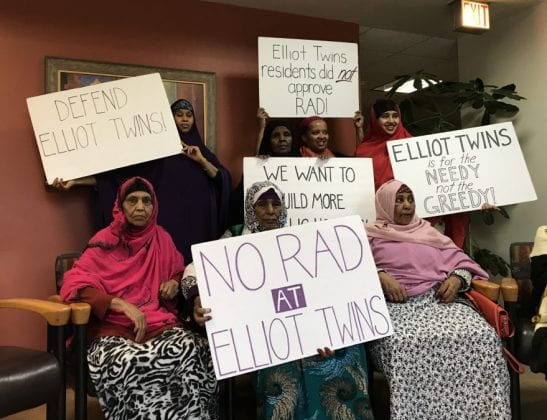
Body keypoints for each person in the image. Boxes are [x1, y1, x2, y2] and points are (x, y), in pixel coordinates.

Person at [60, 177, 217, 419]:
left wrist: (174, 283)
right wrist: (120, 303)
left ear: (155, 207)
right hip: (112, 329)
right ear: (120, 207)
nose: (140, 207)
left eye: (147, 201)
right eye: (132, 201)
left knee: (194, 347)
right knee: (128, 360)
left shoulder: (161, 238)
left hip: (157, 323)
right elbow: (75, 282)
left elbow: (177, 269)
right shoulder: (104, 241)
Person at [226, 181, 373, 419]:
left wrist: (325, 331)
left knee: (347, 353)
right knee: (283, 370)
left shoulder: (300, 240)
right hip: (268, 332)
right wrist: (196, 297)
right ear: (250, 209)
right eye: (262, 205)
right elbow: (197, 272)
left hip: (308, 323)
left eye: (276, 204)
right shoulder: (234, 237)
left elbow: (321, 289)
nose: (271, 211)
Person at [365, 179, 510, 419]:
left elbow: (462, 263)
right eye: (399, 200)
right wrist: (380, 275)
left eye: (410, 199)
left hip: (439, 301)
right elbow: (352, 269)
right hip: (396, 307)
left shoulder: (429, 232)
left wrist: (455, 279)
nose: (407, 205)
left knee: (483, 336)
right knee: (404, 344)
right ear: (384, 204)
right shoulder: (369, 235)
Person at [53, 98, 231, 263]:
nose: (185, 120)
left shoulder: (202, 151)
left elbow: (222, 179)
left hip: (199, 227)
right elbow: (121, 179)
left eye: (189, 115)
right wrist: (77, 181)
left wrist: (201, 161)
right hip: (169, 229)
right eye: (179, 115)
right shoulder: (160, 151)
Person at [355, 99, 473, 248]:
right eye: (385, 116)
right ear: (375, 120)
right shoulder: (364, 150)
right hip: (382, 227)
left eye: (395, 116)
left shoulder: (416, 147)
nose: (391, 121)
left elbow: (438, 180)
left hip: (415, 222)